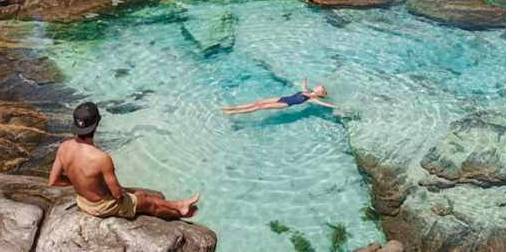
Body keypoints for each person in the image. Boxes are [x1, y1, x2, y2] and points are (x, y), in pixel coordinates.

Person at [49, 101, 199, 220]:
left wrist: (80, 182)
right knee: (149, 203)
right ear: (97, 124)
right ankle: (180, 214)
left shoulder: (64, 147)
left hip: (83, 201)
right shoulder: (101, 158)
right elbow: (118, 195)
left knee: (140, 193)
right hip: (101, 206)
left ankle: (179, 204)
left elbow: (53, 181)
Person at [222, 77, 339, 115]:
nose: (319, 86)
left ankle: (233, 112)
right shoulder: (306, 91)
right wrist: (304, 79)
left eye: (320, 88)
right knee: (258, 102)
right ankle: (233, 108)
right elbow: (303, 84)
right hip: (283, 98)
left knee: (260, 107)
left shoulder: (312, 99)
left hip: (285, 103)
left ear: (320, 93)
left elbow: (324, 104)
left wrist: (337, 107)